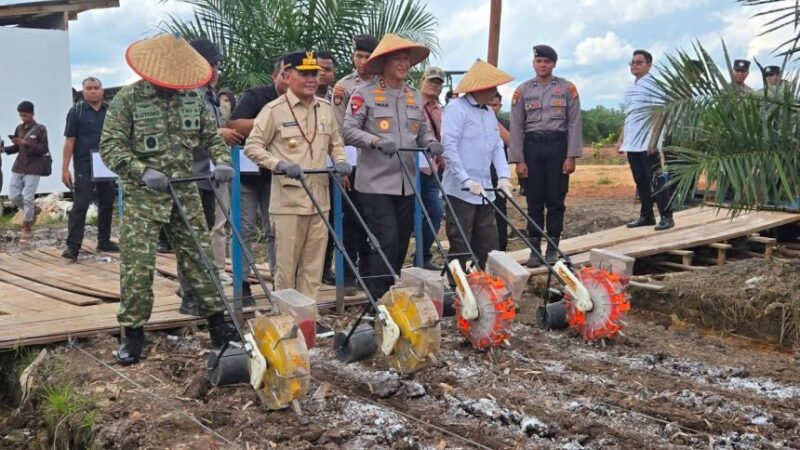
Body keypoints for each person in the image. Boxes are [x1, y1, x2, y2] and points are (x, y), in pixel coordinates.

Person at [99, 34, 236, 365]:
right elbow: (110, 147)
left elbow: (210, 137)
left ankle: (219, 326)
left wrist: (223, 161)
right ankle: (132, 334)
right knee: (138, 268)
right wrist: (141, 170)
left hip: (185, 192)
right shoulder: (127, 100)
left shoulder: (192, 99)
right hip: (144, 199)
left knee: (201, 260)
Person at [343, 34, 441, 300]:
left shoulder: (413, 97)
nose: (403, 63)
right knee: (385, 240)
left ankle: (390, 293)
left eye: (406, 58)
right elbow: (348, 131)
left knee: (399, 243)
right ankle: (377, 298)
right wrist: (375, 141)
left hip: (406, 183)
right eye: (398, 57)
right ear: (384, 62)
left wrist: (431, 144)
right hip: (375, 183)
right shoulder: (364, 94)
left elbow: (422, 132)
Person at [244, 51, 349, 298]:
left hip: (319, 200)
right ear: (287, 76)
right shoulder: (273, 110)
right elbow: (252, 146)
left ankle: (308, 321)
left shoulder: (324, 108)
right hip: (288, 202)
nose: (312, 79)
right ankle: (286, 321)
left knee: (312, 268)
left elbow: (336, 142)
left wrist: (341, 160)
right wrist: (278, 164)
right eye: (305, 74)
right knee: (286, 268)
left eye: (315, 73)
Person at [509, 45, 582, 268]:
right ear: (533, 64)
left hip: (558, 148)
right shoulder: (522, 91)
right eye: (539, 61)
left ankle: (552, 248)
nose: (542, 65)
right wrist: (519, 159)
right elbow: (517, 126)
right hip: (532, 149)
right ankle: (534, 251)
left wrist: (571, 156)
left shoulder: (567, 89)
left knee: (556, 200)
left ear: (554, 64)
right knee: (533, 202)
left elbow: (574, 123)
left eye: (547, 62)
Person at [442, 60, 514, 268]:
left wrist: (503, 177)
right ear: (478, 87)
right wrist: (465, 179)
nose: (494, 91)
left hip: (485, 189)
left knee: (488, 243)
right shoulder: (456, 109)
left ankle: (486, 284)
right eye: (491, 87)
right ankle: (459, 288)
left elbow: (497, 146)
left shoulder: (488, 112)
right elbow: (449, 147)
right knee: (461, 242)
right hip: (461, 190)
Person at [228, 56, 287, 300]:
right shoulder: (257, 95)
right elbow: (235, 125)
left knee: (275, 230)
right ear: (276, 76)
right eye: (285, 73)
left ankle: (279, 282)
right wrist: (269, 122)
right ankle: (241, 283)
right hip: (249, 174)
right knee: (244, 229)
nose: (289, 78)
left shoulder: (303, 101)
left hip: (277, 175)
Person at [328, 34, 378, 289]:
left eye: (367, 56)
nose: (362, 61)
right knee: (349, 218)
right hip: (353, 162)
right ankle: (347, 272)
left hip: (378, 163)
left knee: (372, 217)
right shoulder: (344, 86)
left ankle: (369, 272)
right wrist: (342, 166)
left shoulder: (384, 83)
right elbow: (338, 130)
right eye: (358, 56)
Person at [616, 49, 674, 231]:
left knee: (655, 179)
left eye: (639, 62)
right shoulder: (631, 88)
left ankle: (666, 216)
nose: (634, 65)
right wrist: (621, 139)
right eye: (632, 62)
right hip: (632, 142)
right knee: (640, 179)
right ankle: (646, 215)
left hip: (647, 141)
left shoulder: (653, 85)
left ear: (649, 65)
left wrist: (654, 141)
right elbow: (628, 116)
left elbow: (659, 113)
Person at [61, 77, 118, 260]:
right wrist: (65, 168)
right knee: (81, 205)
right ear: (83, 91)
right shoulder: (76, 112)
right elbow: (70, 140)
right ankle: (73, 247)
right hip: (84, 165)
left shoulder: (110, 111)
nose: (93, 91)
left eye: (96, 88)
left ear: (102, 90)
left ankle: (104, 241)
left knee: (107, 203)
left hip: (107, 164)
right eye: (89, 88)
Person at [3, 101, 49, 241]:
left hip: (34, 168)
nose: (23, 118)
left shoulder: (41, 129)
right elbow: (17, 148)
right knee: (13, 196)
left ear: (32, 114)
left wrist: (26, 143)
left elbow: (44, 149)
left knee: (28, 198)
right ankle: (33, 210)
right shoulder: (19, 128)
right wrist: (4, 150)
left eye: (25, 115)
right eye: (21, 115)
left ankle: (27, 225)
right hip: (19, 166)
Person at [417, 66, 446, 271]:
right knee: (409, 216)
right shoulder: (410, 104)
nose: (435, 85)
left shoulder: (441, 109)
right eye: (431, 81)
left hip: (434, 169)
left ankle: (422, 255)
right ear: (422, 80)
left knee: (435, 213)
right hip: (412, 167)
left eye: (438, 83)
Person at [489, 91, 511, 251]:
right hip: (477, 171)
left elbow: (511, 141)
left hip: (497, 172)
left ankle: (502, 246)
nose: (491, 108)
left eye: (494, 105)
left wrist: (493, 122)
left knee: (500, 208)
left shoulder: (505, 123)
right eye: (488, 104)